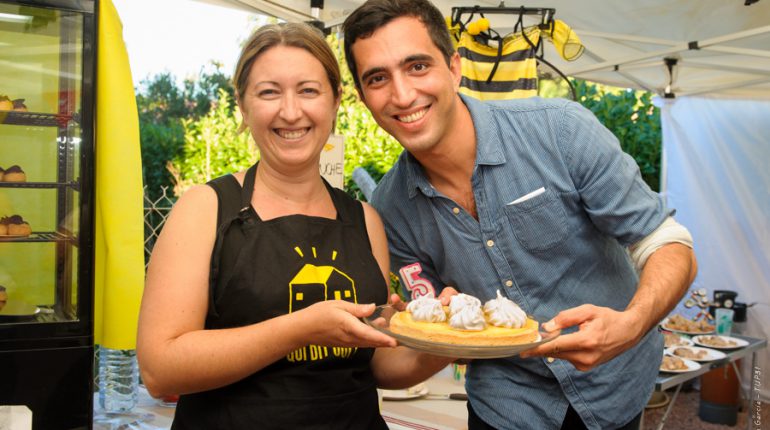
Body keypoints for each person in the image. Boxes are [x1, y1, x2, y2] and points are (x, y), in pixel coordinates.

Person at [342, 1, 698, 429]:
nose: (402, 95)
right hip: (506, 409)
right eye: (378, 78)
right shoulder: (390, 210)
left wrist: (633, 324)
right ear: (363, 98)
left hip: (615, 388)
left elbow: (666, 241)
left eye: (417, 66)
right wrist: (440, 327)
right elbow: (405, 354)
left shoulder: (559, 130)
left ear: (454, 68)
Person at [136, 22, 452, 429]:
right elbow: (161, 370)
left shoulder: (365, 219)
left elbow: (377, 363)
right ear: (243, 106)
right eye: (269, 92)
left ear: (335, 101)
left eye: (308, 90)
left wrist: (442, 344)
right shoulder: (206, 208)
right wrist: (300, 328)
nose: (290, 111)